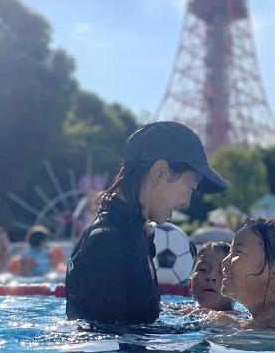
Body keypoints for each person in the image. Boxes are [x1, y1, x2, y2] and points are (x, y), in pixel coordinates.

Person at [65, 121, 228, 324]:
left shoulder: (133, 234)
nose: (186, 202)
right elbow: (107, 338)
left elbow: (136, 317)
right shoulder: (109, 242)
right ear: (161, 171)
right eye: (191, 188)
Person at [188, 242, 234, 312]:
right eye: (203, 269)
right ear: (190, 282)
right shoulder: (178, 313)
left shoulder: (243, 318)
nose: (211, 276)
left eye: (223, 271)